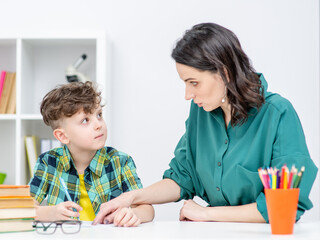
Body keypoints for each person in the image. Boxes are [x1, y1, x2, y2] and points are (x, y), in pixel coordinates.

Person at [93, 23, 318, 224]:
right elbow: (182, 178)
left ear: (225, 74)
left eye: (194, 83)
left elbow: (285, 206)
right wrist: (130, 197)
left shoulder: (278, 114)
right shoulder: (202, 112)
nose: (187, 95)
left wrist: (208, 214)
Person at [29, 81, 154, 227]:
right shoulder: (48, 162)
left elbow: (148, 210)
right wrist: (50, 213)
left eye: (99, 115)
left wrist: (132, 214)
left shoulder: (120, 161)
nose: (98, 124)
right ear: (62, 136)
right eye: (85, 120)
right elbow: (22, 209)